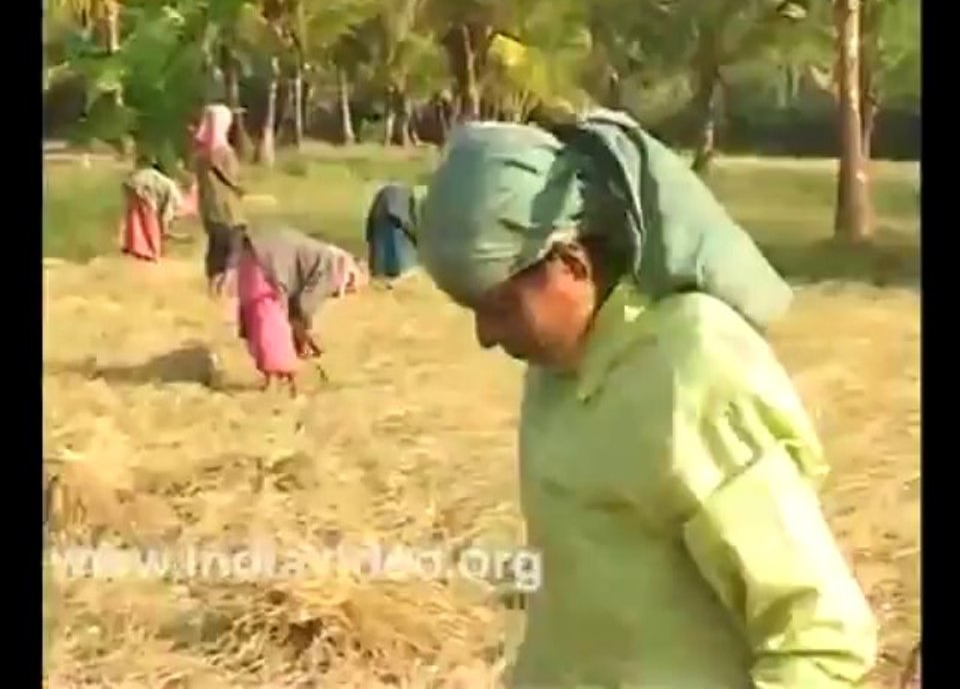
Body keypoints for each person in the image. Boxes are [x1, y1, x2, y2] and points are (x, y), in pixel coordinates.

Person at [415, 110, 878, 688]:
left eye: (499, 307)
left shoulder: (690, 367)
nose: (485, 336)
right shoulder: (559, 371)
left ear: (571, 263)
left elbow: (821, 637)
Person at [210, 224, 366, 394]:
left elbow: (296, 309)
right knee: (272, 326)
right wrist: (305, 336)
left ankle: (274, 380)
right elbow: (303, 307)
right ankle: (284, 380)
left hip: (255, 255)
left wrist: (301, 332)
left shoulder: (327, 258)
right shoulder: (334, 270)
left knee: (260, 323)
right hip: (268, 266)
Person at [193, 103, 245, 291]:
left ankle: (212, 286)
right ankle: (224, 288)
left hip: (209, 211)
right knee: (234, 250)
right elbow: (236, 181)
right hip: (229, 211)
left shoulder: (200, 155)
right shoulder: (225, 153)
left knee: (215, 248)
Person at [119, 161, 187, 262]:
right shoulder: (169, 185)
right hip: (145, 192)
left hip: (130, 186)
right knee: (151, 224)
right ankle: (153, 252)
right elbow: (168, 212)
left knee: (135, 220)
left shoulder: (151, 175)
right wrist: (165, 229)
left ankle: (133, 247)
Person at [364, 182, 418, 280]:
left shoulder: (387, 196)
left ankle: (382, 271)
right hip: (391, 218)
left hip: (381, 216)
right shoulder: (404, 197)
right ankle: (391, 271)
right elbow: (402, 219)